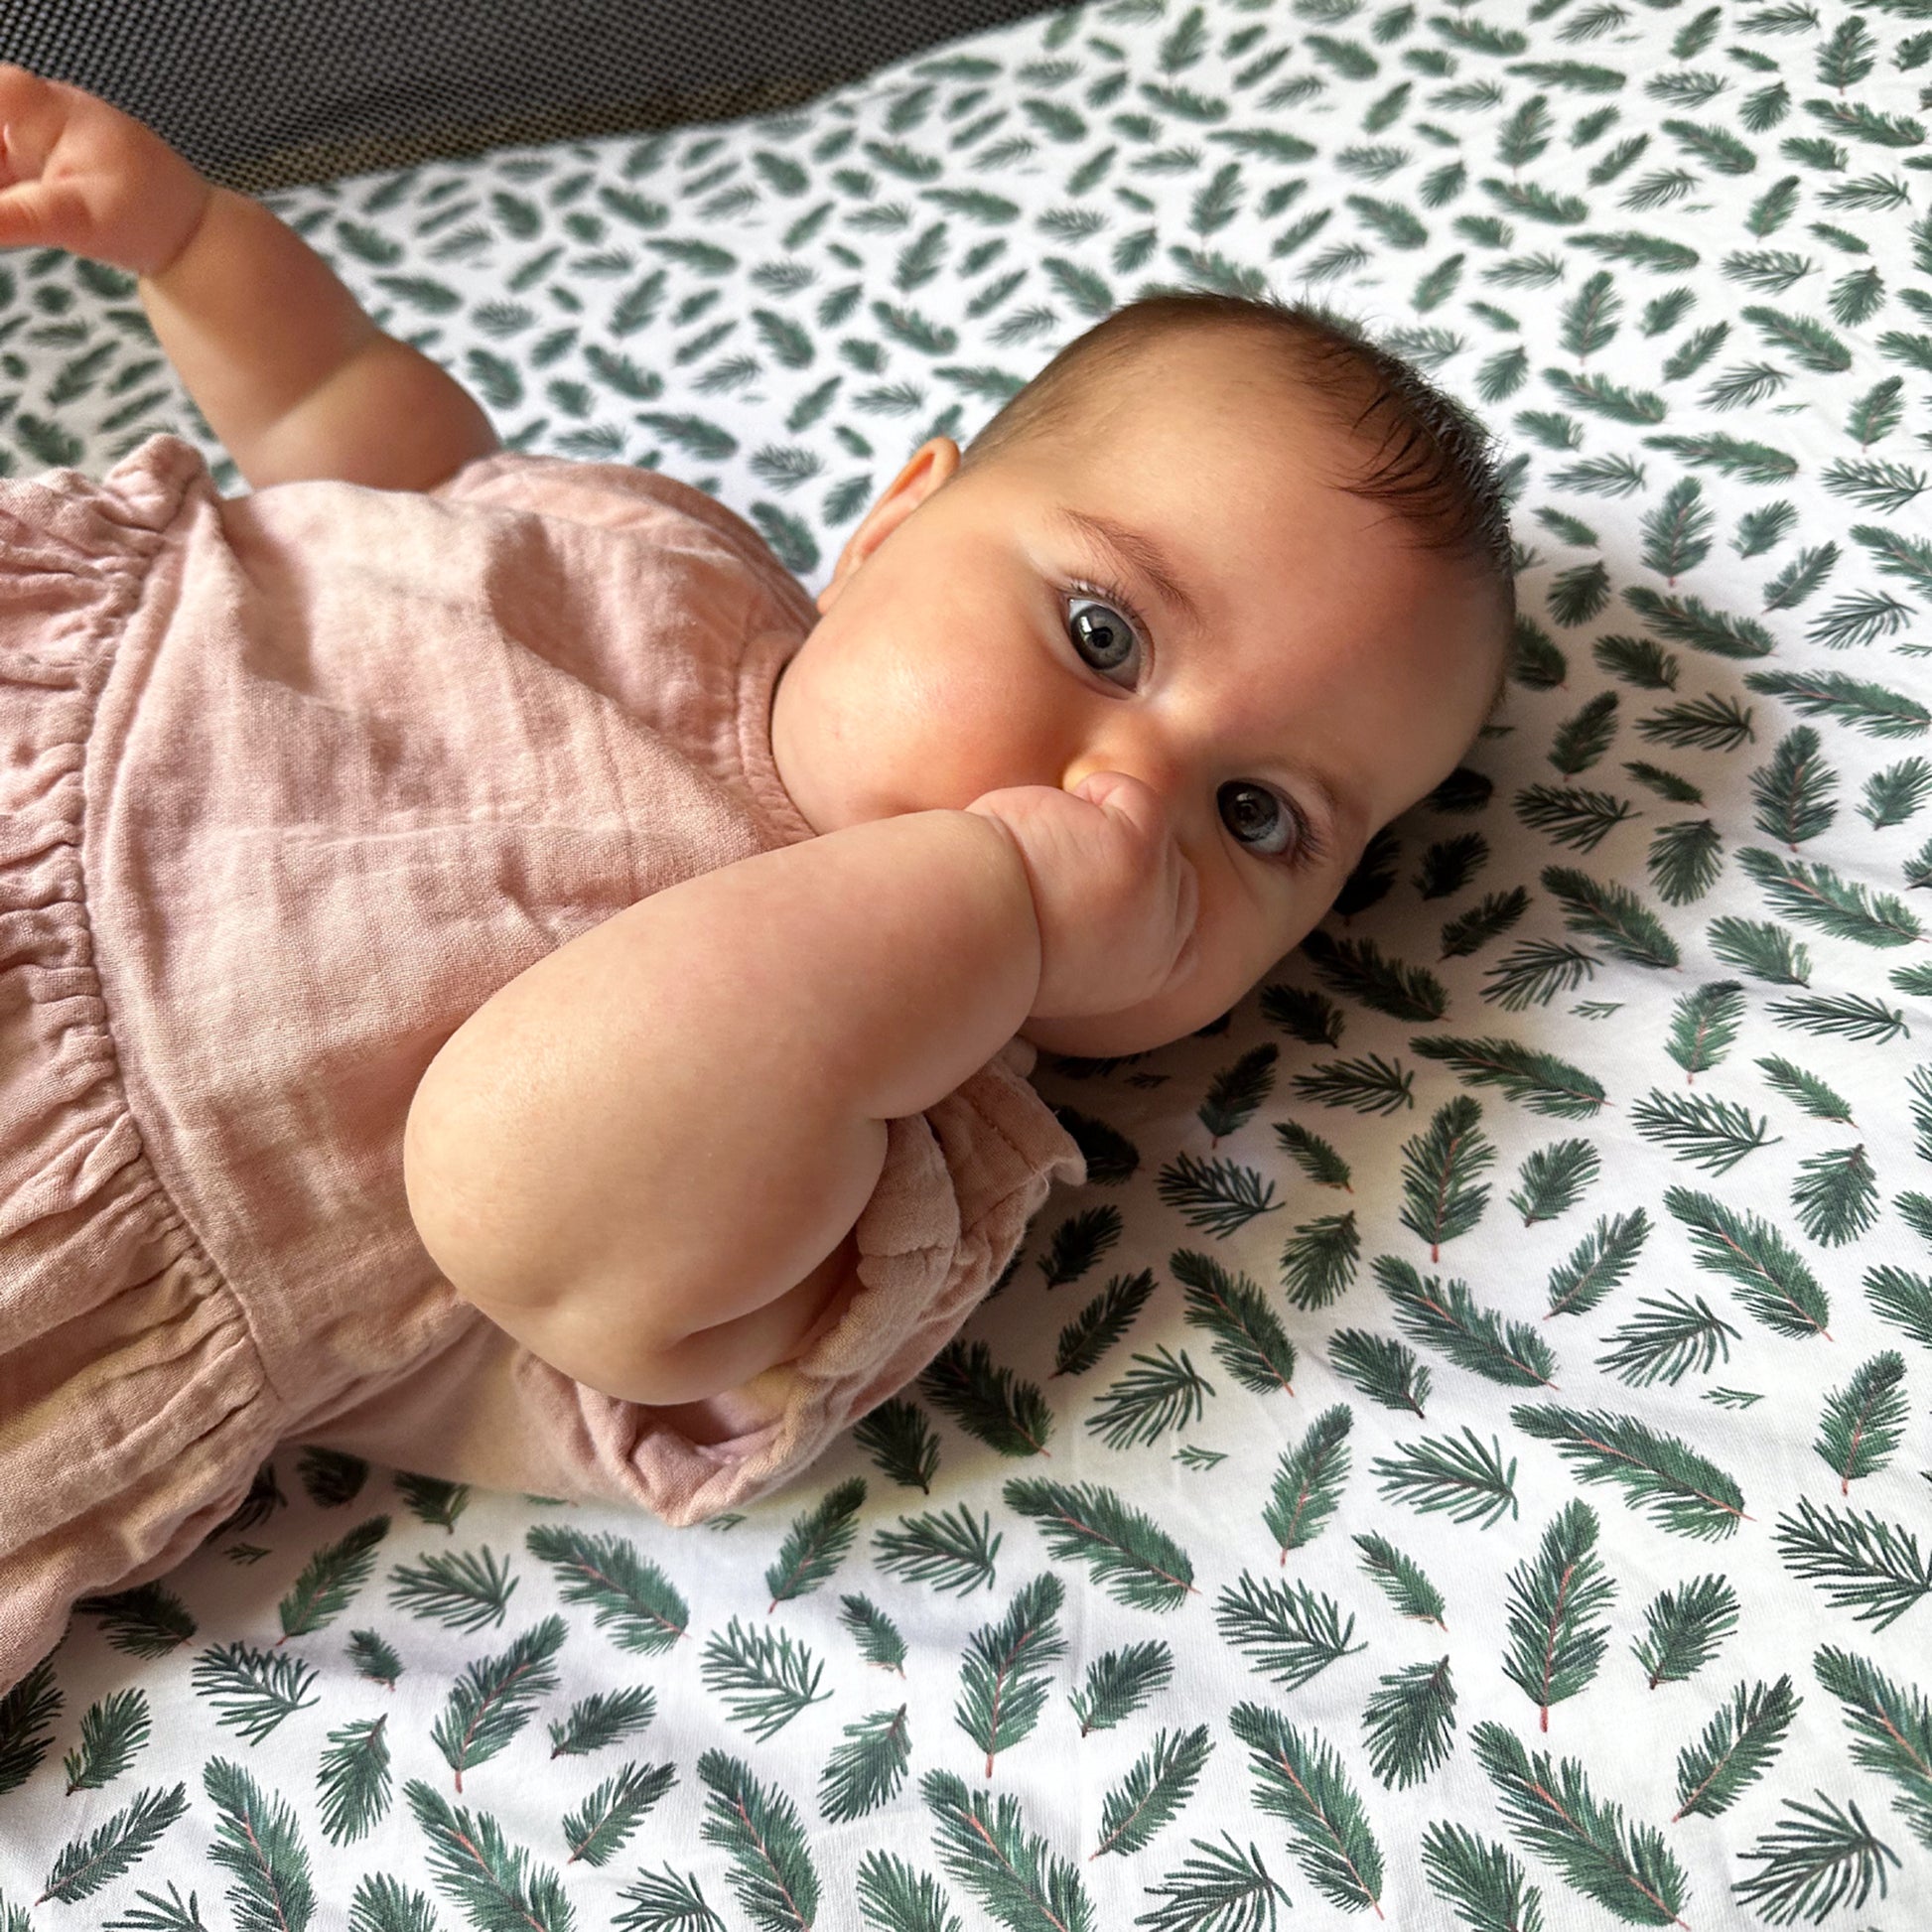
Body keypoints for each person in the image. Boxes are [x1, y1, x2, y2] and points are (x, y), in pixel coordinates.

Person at [0, 65, 1515, 1694]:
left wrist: (991, 897)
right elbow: (371, 480)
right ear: (889, 527)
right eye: (1102, 633)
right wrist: (202, 248)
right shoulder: (675, 556)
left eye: (1258, 814)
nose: (1125, 799)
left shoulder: (894, 1169)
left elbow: (521, 1179)